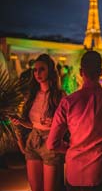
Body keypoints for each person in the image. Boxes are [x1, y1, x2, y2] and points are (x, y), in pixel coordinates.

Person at [47, 51, 102, 190]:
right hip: (100, 172)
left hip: (74, 173)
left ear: (81, 71)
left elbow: (52, 143)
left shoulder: (68, 102)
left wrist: (71, 149)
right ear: (101, 72)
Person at [10, 54, 65, 191]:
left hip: (50, 141)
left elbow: (67, 123)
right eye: (35, 70)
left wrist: (55, 126)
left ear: (50, 71)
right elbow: (33, 124)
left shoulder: (59, 95)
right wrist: (21, 122)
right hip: (34, 140)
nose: (37, 73)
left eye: (42, 69)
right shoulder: (33, 94)